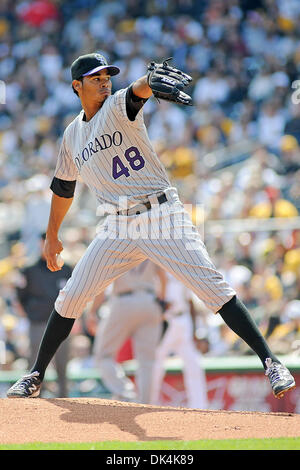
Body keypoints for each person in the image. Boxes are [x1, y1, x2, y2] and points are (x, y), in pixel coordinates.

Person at [7, 52, 295, 399]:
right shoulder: (71, 136)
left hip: (160, 215)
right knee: (71, 296)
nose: (104, 82)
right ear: (76, 86)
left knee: (213, 288)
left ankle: (271, 362)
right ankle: (36, 374)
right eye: (96, 78)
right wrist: (52, 235)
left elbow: (136, 92)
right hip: (116, 226)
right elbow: (63, 188)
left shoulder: (115, 106)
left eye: (106, 76)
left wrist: (147, 83)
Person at [87, 260, 166, 403]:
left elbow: (102, 286)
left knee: (103, 355)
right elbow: (163, 276)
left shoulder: (117, 243)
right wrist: (161, 301)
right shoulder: (151, 242)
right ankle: (145, 404)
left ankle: (126, 394)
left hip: (123, 301)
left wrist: (92, 311)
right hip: (149, 300)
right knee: (146, 361)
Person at [13, 233, 72, 397]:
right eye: (45, 242)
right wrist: (29, 318)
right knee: (35, 366)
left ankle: (64, 398)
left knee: (62, 365)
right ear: (40, 244)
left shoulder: (66, 269)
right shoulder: (29, 270)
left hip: (62, 323)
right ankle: (34, 404)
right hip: (37, 323)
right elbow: (18, 299)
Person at [150, 272, 208, 409]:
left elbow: (190, 302)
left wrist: (194, 331)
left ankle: (200, 406)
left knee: (193, 363)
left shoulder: (180, 269)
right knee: (156, 365)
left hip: (183, 320)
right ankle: (150, 403)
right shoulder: (156, 269)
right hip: (164, 321)